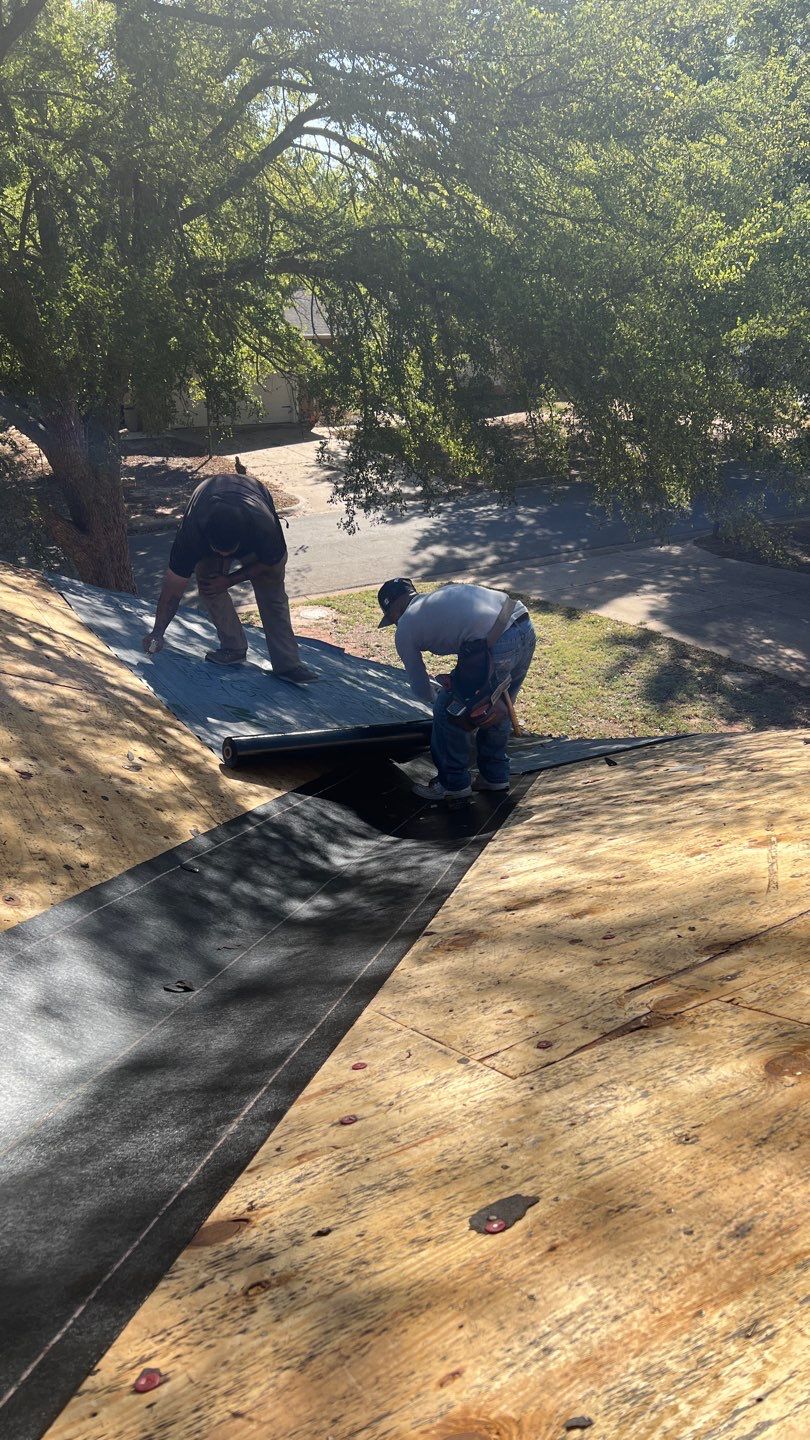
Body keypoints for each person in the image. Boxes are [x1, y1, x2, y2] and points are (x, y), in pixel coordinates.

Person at [142, 471, 316, 685]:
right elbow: (172, 591)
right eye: (220, 553)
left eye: (229, 553)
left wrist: (229, 579)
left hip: (254, 501)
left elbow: (270, 564)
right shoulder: (192, 535)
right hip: (206, 498)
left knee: (272, 593)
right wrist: (158, 632)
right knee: (208, 582)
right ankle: (233, 648)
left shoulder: (263, 527)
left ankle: (288, 665)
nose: (226, 559)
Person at [378, 578, 536, 801]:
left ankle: (453, 784)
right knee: (496, 706)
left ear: (393, 610)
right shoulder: (437, 600)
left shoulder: (405, 627)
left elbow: (420, 687)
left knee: (447, 709)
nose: (393, 623)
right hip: (523, 623)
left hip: (500, 642)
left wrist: (443, 698)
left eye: (391, 619)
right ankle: (494, 776)